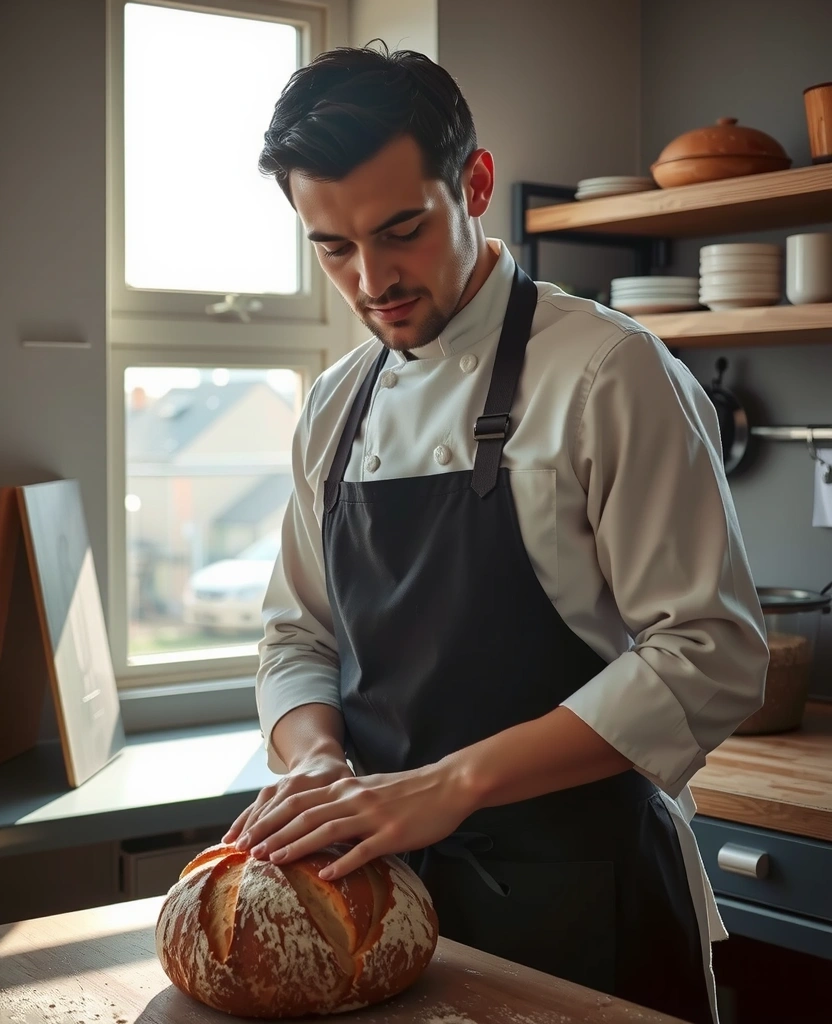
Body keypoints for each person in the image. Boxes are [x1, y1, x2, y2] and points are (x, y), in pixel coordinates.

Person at [223, 42, 769, 1024]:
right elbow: (297, 636)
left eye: (402, 230)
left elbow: (710, 653)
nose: (372, 280)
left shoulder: (609, 374)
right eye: (333, 247)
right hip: (377, 898)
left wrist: (451, 784)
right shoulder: (334, 406)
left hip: (582, 899)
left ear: (472, 182)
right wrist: (318, 768)